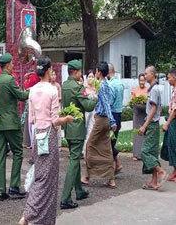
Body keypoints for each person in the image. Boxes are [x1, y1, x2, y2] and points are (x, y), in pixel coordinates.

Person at [19, 57, 74, 225]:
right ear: (49, 70)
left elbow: (31, 119)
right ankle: (29, 215)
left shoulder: (33, 90)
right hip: (49, 136)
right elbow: (55, 119)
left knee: (40, 176)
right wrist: (66, 119)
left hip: (37, 135)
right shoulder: (52, 90)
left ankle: (37, 217)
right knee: (47, 179)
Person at [60, 59, 97, 210]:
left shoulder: (64, 85)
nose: (81, 74)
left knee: (73, 158)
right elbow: (88, 107)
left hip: (68, 128)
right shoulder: (77, 87)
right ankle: (65, 198)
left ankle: (79, 191)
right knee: (74, 161)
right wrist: (94, 96)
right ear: (75, 72)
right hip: (77, 128)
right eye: (80, 71)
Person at [0, 53, 30, 201]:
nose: (13, 66)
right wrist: (31, 91)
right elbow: (21, 96)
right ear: (7, 65)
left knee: (0, 156)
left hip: (1, 122)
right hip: (11, 123)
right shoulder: (9, 80)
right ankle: (14, 186)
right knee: (18, 152)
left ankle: (1, 190)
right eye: (12, 64)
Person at [84, 62, 117, 189]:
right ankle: (111, 179)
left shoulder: (102, 85)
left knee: (90, 145)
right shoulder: (108, 85)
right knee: (106, 148)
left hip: (101, 120)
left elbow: (106, 104)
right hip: (106, 121)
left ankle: (87, 175)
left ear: (98, 72)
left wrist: (112, 121)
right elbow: (112, 100)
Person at [139, 65, 167, 190]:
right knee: (153, 153)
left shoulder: (154, 90)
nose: (145, 76)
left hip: (152, 124)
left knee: (145, 151)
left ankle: (160, 171)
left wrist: (145, 125)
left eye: (146, 73)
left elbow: (154, 108)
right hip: (154, 123)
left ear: (153, 74)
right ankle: (154, 182)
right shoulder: (153, 88)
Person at [107, 63, 125, 173]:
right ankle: (117, 164)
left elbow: (110, 102)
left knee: (108, 142)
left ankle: (113, 168)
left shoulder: (111, 85)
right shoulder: (120, 84)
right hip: (119, 114)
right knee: (113, 140)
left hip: (112, 114)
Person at [131, 73, 149, 161]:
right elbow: (132, 101)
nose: (142, 82)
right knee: (136, 133)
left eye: (143, 80)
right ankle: (136, 154)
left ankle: (143, 153)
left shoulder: (148, 90)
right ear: (138, 81)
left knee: (144, 133)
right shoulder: (135, 90)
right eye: (140, 80)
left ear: (145, 81)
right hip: (137, 113)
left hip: (145, 114)